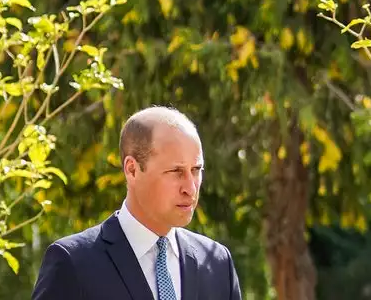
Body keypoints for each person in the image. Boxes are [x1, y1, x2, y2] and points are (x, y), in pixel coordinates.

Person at [31, 106, 242, 300]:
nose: (191, 187)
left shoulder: (218, 264)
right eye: (176, 171)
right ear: (132, 169)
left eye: (196, 170)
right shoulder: (73, 264)